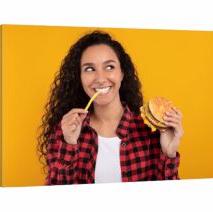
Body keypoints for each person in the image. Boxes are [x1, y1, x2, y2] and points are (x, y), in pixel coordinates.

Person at [38, 30, 183, 185]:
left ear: (122, 73)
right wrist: (69, 144)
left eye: (109, 67)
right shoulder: (65, 132)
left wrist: (169, 153)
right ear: (79, 78)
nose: (100, 79)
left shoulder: (150, 132)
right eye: (89, 69)